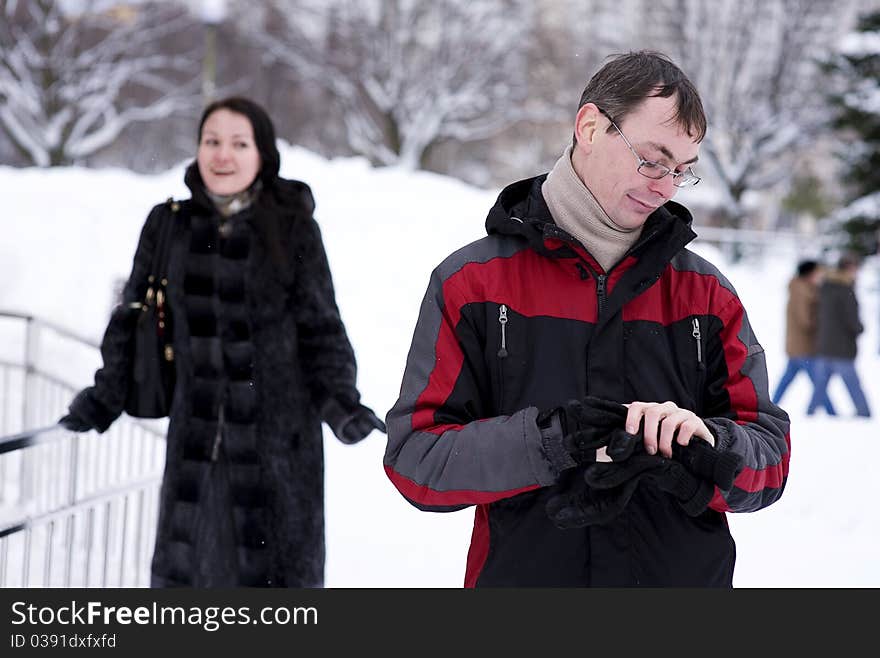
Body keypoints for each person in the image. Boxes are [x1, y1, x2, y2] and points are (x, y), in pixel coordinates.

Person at [384, 51, 790, 587]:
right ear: (591, 127)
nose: (665, 186)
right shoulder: (472, 282)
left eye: (682, 171)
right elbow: (418, 461)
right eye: (652, 159)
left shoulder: (706, 293)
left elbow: (770, 461)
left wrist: (708, 450)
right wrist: (552, 441)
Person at [59, 96, 385, 587]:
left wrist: (342, 405)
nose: (222, 156)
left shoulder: (293, 227)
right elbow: (131, 319)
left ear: (262, 154)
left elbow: (321, 329)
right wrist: (103, 398)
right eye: (212, 142)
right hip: (197, 448)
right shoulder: (168, 224)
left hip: (279, 451)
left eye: (238, 143)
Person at [807, 253, 871, 418]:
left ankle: (809, 414)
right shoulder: (845, 289)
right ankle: (865, 415)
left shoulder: (826, 287)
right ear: (849, 269)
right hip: (841, 347)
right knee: (853, 385)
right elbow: (852, 320)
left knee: (820, 387)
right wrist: (860, 328)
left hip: (824, 344)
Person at [771, 259, 834, 412]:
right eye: (817, 272)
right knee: (819, 381)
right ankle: (832, 412)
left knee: (788, 380)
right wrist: (821, 321)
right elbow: (805, 320)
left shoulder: (805, 289)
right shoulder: (801, 291)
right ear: (809, 274)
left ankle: (770, 405)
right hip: (803, 346)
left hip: (799, 346)